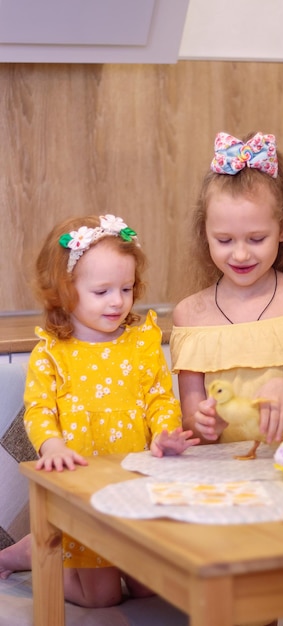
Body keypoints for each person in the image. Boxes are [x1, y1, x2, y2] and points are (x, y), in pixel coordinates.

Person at [170, 132, 283, 626]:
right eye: (224, 240)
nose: (240, 253)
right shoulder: (190, 315)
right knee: (246, 612)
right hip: (229, 496)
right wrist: (201, 423)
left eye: (257, 238)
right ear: (203, 232)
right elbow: (191, 416)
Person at [0, 213, 199, 607]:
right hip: (83, 496)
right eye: (102, 291)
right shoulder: (51, 354)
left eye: (126, 288)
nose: (117, 301)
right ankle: (33, 554)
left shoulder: (141, 344)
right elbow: (38, 411)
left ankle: (42, 548)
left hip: (135, 488)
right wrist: (51, 444)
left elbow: (160, 398)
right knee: (102, 598)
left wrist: (165, 431)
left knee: (149, 587)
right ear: (64, 291)